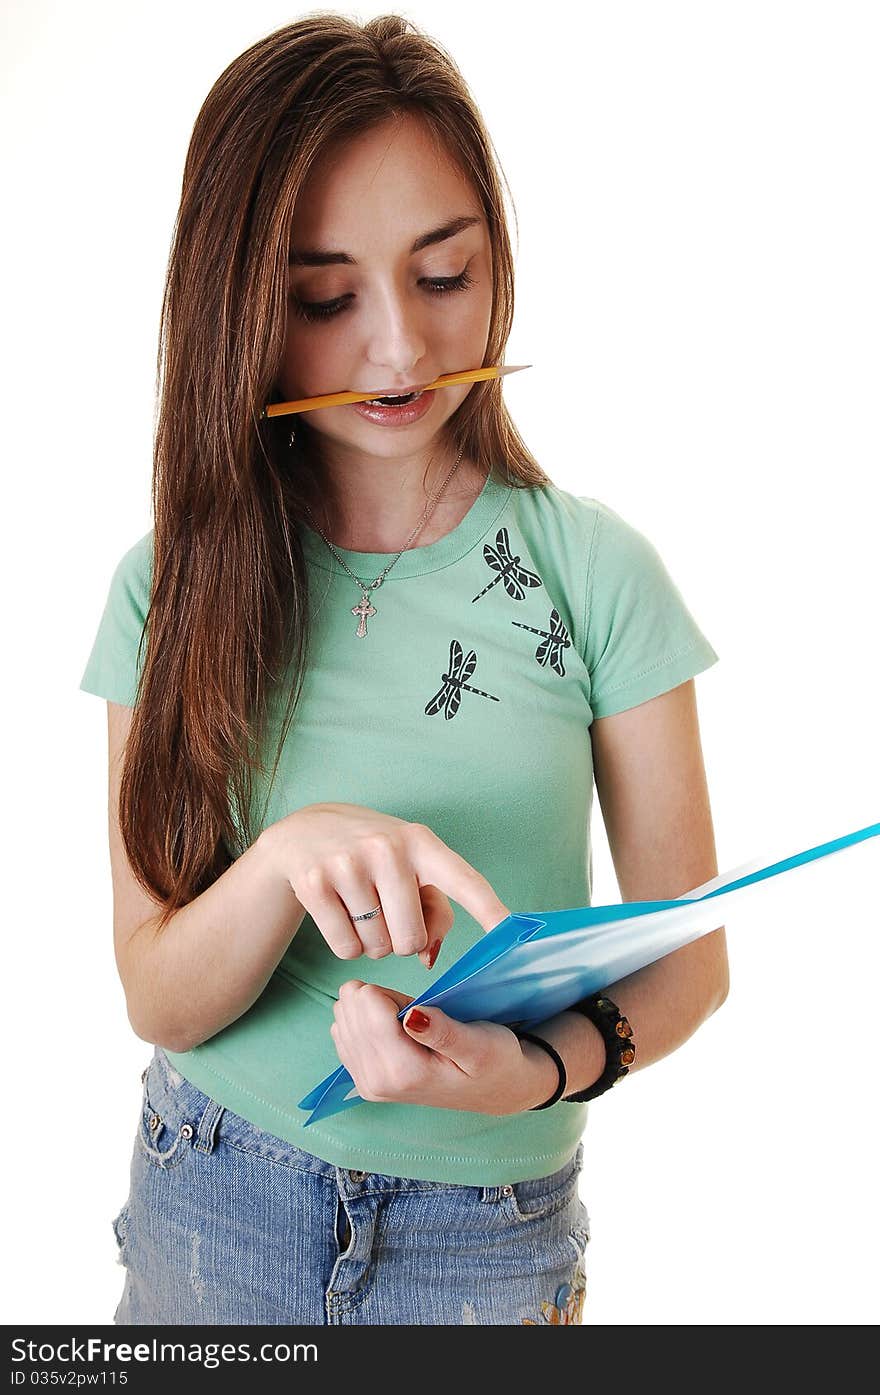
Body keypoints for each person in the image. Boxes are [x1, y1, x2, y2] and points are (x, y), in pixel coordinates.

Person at [79, 12, 728, 1327]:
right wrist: (282, 862)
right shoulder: (171, 586)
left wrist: (531, 1073)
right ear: (244, 307)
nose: (401, 351)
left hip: (485, 1242)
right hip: (214, 1190)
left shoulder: (594, 573)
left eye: (445, 276)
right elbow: (157, 988)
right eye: (326, 298)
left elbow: (687, 962)